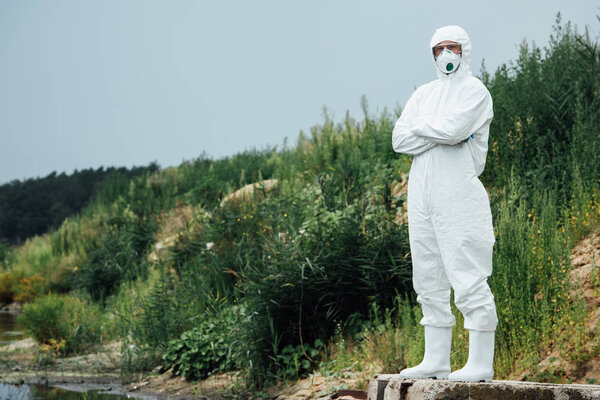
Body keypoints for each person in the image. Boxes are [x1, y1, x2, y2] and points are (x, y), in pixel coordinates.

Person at [391, 25, 498, 382]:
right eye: (438, 50)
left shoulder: (475, 91)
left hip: (458, 193)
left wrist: (424, 129)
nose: (445, 55)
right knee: (427, 274)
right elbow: (399, 139)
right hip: (422, 192)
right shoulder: (423, 94)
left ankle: (480, 362)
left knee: (467, 270)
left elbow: (455, 132)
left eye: (451, 47)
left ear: (464, 49)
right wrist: (437, 130)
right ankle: (436, 359)